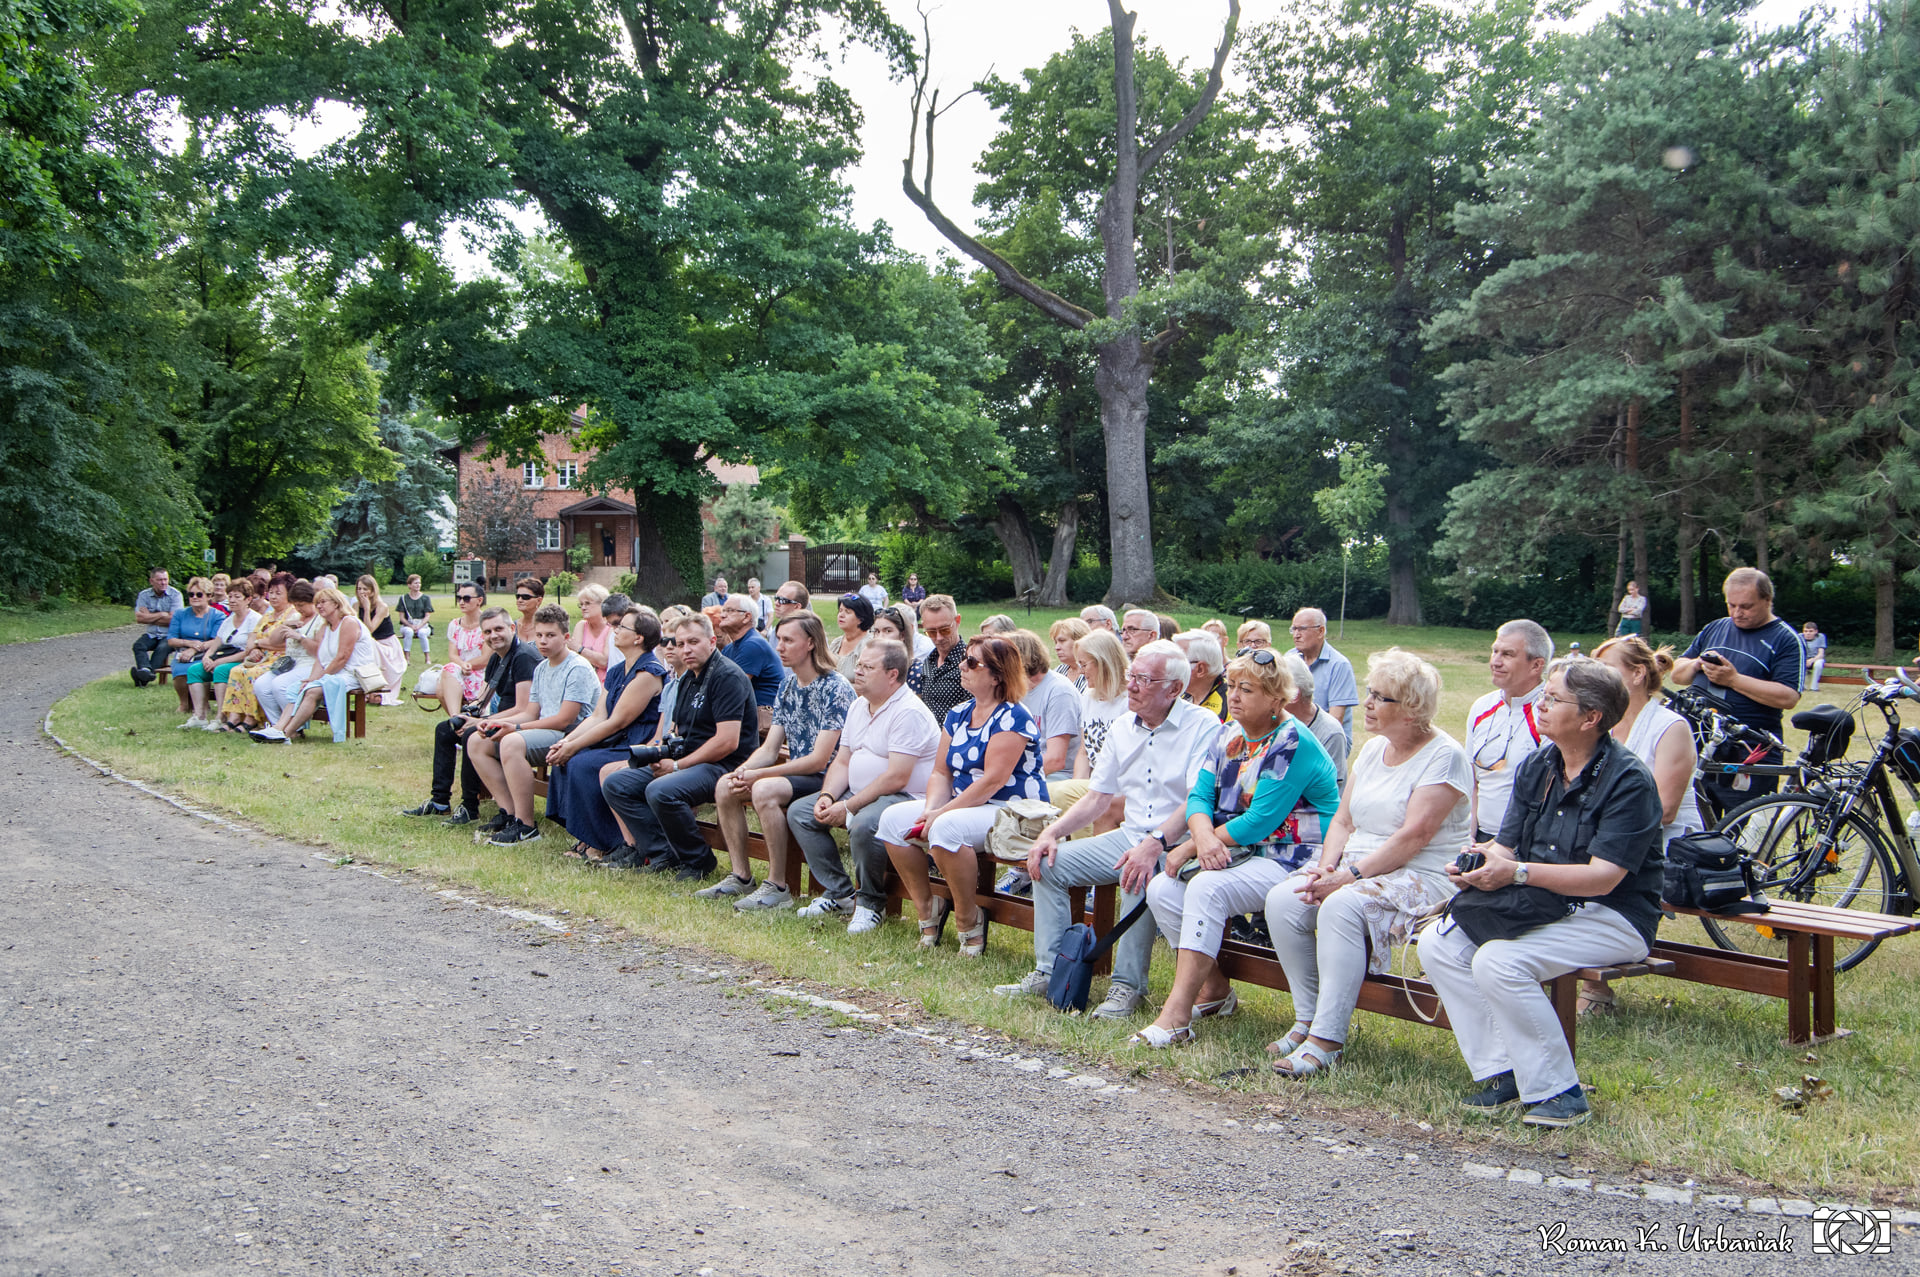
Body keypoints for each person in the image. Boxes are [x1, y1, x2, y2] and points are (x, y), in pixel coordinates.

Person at [1419, 657, 1664, 1128]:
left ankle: (1560, 1093)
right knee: (1439, 941)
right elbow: (1506, 847)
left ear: (1591, 718)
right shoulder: (1538, 764)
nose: (1541, 705)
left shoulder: (1629, 780)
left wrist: (1515, 874)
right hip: (1542, 903)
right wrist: (1477, 864)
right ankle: (1504, 1071)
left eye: (1552, 699)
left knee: (1498, 961)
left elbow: (1603, 879)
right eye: (1543, 696)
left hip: (1614, 916)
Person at [1266, 648, 1471, 1078]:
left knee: (1343, 905)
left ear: (1412, 710)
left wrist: (1348, 877)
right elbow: (1343, 818)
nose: (1369, 704)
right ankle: (1306, 1019)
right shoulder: (1375, 748)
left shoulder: (1445, 756)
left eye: (1382, 697)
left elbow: (1414, 837)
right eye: (1369, 692)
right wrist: (1326, 867)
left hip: (1422, 874)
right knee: (1285, 900)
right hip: (1357, 865)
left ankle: (1327, 1039)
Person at [994, 641, 1217, 1016]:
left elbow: (1196, 801)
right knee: (1047, 864)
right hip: (1130, 835)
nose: (1130, 686)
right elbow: (1097, 798)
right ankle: (1051, 971)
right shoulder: (1122, 727)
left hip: (1179, 841)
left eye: (1144, 680)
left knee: (1136, 872)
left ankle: (1127, 987)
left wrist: (1155, 844)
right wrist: (1050, 833)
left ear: (1175, 689)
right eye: (1132, 676)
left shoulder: (1203, 726)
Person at [1134, 649, 1343, 1046]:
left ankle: (1175, 1016)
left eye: (1247, 689)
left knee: (1205, 887)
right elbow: (1198, 797)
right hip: (1237, 850)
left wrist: (1192, 847)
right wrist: (1202, 838)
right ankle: (1214, 991)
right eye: (1231, 686)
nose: (1234, 696)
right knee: (1163, 888)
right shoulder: (1227, 731)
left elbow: (1260, 821)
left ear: (1276, 699)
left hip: (1292, 854)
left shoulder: (1292, 742)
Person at [878, 635, 1048, 957]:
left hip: (1009, 808)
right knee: (891, 820)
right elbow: (941, 773)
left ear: (997, 676)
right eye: (965, 660)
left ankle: (969, 919)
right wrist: (930, 809)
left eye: (972, 662)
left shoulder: (1014, 716)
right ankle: (928, 907)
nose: (961, 666)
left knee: (947, 829)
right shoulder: (958, 713)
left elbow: (992, 782)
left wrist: (940, 815)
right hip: (964, 804)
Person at [1580, 635, 1702, 1013]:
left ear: (1636, 674)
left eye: (1607, 670)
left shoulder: (1670, 726)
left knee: (1585, 871)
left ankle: (1595, 991)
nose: (1597, 679)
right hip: (1609, 835)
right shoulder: (1599, 725)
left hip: (1666, 846)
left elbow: (1664, 809)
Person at [701, 612, 854, 910]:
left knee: (764, 790)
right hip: (798, 772)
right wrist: (744, 770)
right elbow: (770, 748)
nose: (779, 647)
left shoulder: (835, 688)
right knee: (726, 786)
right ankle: (741, 876)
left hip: (830, 779)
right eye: (779, 639)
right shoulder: (788, 685)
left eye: (788, 640)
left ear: (810, 643)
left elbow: (819, 760)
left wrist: (761, 777)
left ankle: (777, 885)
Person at [789, 638, 941, 930]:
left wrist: (848, 806)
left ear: (892, 675)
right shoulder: (860, 705)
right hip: (860, 791)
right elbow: (843, 760)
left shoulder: (908, 711)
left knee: (863, 824)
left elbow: (897, 776)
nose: (857, 671)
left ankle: (870, 904)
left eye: (867, 667)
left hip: (905, 796)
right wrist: (827, 795)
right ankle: (840, 892)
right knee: (801, 813)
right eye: (858, 665)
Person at [601, 613, 760, 878]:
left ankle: (698, 861)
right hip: (689, 761)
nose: (686, 649)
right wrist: (661, 754)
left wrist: (676, 766)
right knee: (616, 784)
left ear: (712, 641)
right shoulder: (687, 679)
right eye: (680, 643)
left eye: (693, 642)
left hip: (725, 766)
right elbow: (676, 730)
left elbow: (727, 741)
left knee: (661, 790)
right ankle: (664, 851)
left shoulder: (727, 676)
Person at [1673, 567, 1804, 811]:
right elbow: (1677, 673)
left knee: (1743, 837)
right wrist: (1696, 664)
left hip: (1749, 752)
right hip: (1701, 746)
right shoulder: (1715, 628)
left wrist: (1733, 680)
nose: (1737, 613)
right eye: (1731, 605)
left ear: (1767, 600)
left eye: (1746, 606)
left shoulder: (1786, 638)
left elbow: (1788, 697)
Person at [467, 604, 599, 845]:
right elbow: (529, 713)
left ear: (566, 637)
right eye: (539, 635)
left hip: (573, 735)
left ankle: (526, 826)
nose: (543, 641)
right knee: (478, 741)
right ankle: (509, 814)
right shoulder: (541, 667)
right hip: (545, 731)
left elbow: (565, 719)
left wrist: (514, 729)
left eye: (550, 635)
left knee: (511, 742)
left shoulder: (577, 667)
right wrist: (492, 723)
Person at [543, 608, 668, 860]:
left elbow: (617, 721)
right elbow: (598, 715)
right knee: (564, 761)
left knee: (582, 763)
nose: (615, 629)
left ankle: (605, 842)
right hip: (614, 740)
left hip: (634, 745)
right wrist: (566, 742)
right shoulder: (616, 670)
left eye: (622, 627)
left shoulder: (648, 673)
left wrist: (574, 748)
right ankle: (586, 836)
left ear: (639, 638)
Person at [401, 606, 538, 825]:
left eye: (498, 629)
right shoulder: (496, 658)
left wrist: (481, 722)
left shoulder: (523, 657)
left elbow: (524, 709)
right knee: (446, 729)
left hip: (518, 723)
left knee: (473, 733)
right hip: (497, 718)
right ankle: (440, 802)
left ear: (512, 628)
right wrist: (469, 714)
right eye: (487, 632)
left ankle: (469, 806)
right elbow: (483, 697)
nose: (493, 636)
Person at [1466, 619, 1554, 842]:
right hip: (1482, 838)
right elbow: (1472, 781)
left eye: (1507, 654)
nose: (1495, 661)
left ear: (1536, 665)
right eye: (1494, 651)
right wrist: (1469, 836)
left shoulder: (1551, 711)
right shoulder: (1481, 708)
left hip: (1530, 843)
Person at [255, 585, 377, 744]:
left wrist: (319, 679)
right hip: (337, 672)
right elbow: (321, 658)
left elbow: (342, 657)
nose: (319, 606)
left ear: (336, 604)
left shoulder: (349, 622)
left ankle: (287, 733)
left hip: (354, 673)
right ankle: (277, 728)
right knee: (298, 688)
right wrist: (311, 678)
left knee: (312, 691)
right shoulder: (326, 626)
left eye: (323, 602)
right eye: (317, 603)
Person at [216, 575, 300, 731]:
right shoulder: (267, 615)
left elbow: (283, 643)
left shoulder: (293, 615)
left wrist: (259, 644)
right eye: (271, 592)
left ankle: (252, 718)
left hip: (281, 660)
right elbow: (252, 637)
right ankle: (234, 717)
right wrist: (254, 648)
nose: (273, 596)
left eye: (278, 593)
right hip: (261, 657)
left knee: (253, 674)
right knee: (237, 671)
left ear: (289, 594)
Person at [180, 580, 262, 730]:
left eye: (237, 597)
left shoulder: (254, 619)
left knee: (221, 670)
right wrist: (207, 657)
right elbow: (216, 643)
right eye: (230, 596)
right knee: (195, 670)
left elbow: (248, 651)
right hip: (223, 657)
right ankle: (200, 715)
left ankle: (221, 716)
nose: (232, 600)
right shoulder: (228, 619)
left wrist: (219, 662)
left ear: (248, 599)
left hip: (242, 659)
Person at [249, 585, 327, 732]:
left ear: (312, 602)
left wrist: (300, 637)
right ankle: (277, 725)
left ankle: (295, 727)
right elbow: (273, 641)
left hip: (310, 663)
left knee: (280, 685)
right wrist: (284, 626)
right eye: (296, 605)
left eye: (302, 605)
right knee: (261, 685)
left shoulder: (320, 620)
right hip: (289, 663)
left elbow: (319, 651)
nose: (299, 609)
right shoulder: (295, 617)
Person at [1009, 629, 1082, 781]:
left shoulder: (1059, 691)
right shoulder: (1015, 688)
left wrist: (1008, 777)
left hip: (1055, 776)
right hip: (1022, 769)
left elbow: (1055, 760)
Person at [1288, 609, 1359, 744]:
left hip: (1328, 739)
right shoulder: (1289, 659)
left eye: (1301, 629)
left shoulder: (1339, 665)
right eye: (1294, 629)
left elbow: (1336, 719)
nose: (1296, 635)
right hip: (1294, 734)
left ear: (1320, 631)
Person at [1281, 652, 1349, 789]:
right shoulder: (1274, 722)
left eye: (1274, 689)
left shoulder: (1330, 733)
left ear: (1294, 695)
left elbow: (1329, 793)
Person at [165, 578, 227, 726]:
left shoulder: (217, 615)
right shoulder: (180, 614)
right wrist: (188, 643)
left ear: (209, 596)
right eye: (191, 594)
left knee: (200, 668)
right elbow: (171, 639)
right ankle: (184, 703)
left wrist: (195, 649)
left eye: (199, 594)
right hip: (183, 652)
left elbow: (218, 639)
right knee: (180, 670)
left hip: (207, 652)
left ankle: (204, 705)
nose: (194, 598)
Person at [718, 594, 785, 731]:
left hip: (762, 719)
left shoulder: (753, 644)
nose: (723, 615)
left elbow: (732, 689)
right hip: (745, 714)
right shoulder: (729, 649)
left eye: (729, 611)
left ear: (747, 617)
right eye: (723, 611)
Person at [426, 584, 490, 715]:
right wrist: (462, 665)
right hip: (459, 670)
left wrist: (468, 665)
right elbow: (452, 654)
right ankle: (456, 719)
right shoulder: (455, 624)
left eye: (466, 598)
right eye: (458, 598)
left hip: (483, 673)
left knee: (444, 683)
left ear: (479, 600)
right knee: (446, 675)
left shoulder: (488, 624)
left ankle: (458, 721)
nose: (461, 602)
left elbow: (486, 658)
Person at [914, 594, 968, 722]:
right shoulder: (929, 661)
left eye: (944, 630)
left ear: (957, 621)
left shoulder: (968, 663)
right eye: (931, 632)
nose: (938, 637)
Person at [355, 575, 408, 705]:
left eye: (365, 589)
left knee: (370, 644)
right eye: (359, 589)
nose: (361, 592)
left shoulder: (381, 607)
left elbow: (369, 630)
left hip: (386, 645)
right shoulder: (356, 605)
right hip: (368, 644)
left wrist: (367, 609)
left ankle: (377, 691)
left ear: (372, 591)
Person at [132, 567, 183, 687]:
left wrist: (149, 616)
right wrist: (161, 614)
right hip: (152, 634)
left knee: (162, 648)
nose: (163, 583)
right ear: (151, 581)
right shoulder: (144, 595)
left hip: (169, 635)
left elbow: (174, 620)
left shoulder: (175, 595)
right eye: (160, 580)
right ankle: (145, 671)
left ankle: (144, 675)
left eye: (165, 579)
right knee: (138, 646)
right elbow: (139, 619)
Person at [1174, 630, 1227, 719]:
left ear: (1200, 669)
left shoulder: (1231, 701)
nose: (1169, 667)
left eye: (1178, 662)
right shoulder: (1176, 694)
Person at [571, 582, 615, 682]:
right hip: (582, 681)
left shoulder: (611, 628)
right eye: (581, 604)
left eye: (587, 603)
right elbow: (574, 660)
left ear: (602, 604)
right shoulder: (581, 625)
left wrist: (579, 649)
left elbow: (604, 662)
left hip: (604, 684)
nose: (583, 607)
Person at [829, 592, 874, 679]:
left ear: (861, 618)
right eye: (840, 611)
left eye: (847, 612)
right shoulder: (836, 643)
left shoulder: (868, 645)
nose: (841, 615)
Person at [396, 575, 435, 661]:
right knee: (409, 632)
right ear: (409, 585)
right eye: (415, 583)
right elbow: (402, 618)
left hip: (422, 625)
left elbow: (427, 616)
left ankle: (427, 657)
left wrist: (419, 626)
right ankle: (407, 657)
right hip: (407, 625)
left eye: (419, 583)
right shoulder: (403, 598)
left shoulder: (425, 598)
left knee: (422, 633)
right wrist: (411, 626)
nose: (418, 585)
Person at [1049, 618, 1091, 687]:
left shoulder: (1094, 672)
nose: (1056, 647)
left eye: (1062, 641)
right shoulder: (1059, 671)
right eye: (1056, 642)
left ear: (1079, 640)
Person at [1801, 621, 1828, 691]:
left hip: (1816, 658)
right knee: (1796, 662)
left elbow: (1821, 654)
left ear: (1816, 631)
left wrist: (1812, 660)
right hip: (1803, 658)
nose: (1808, 633)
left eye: (1810, 631)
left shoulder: (1820, 637)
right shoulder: (1799, 637)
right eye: (1805, 631)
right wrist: (1804, 660)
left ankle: (1814, 687)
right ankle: (1801, 686)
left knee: (1818, 664)